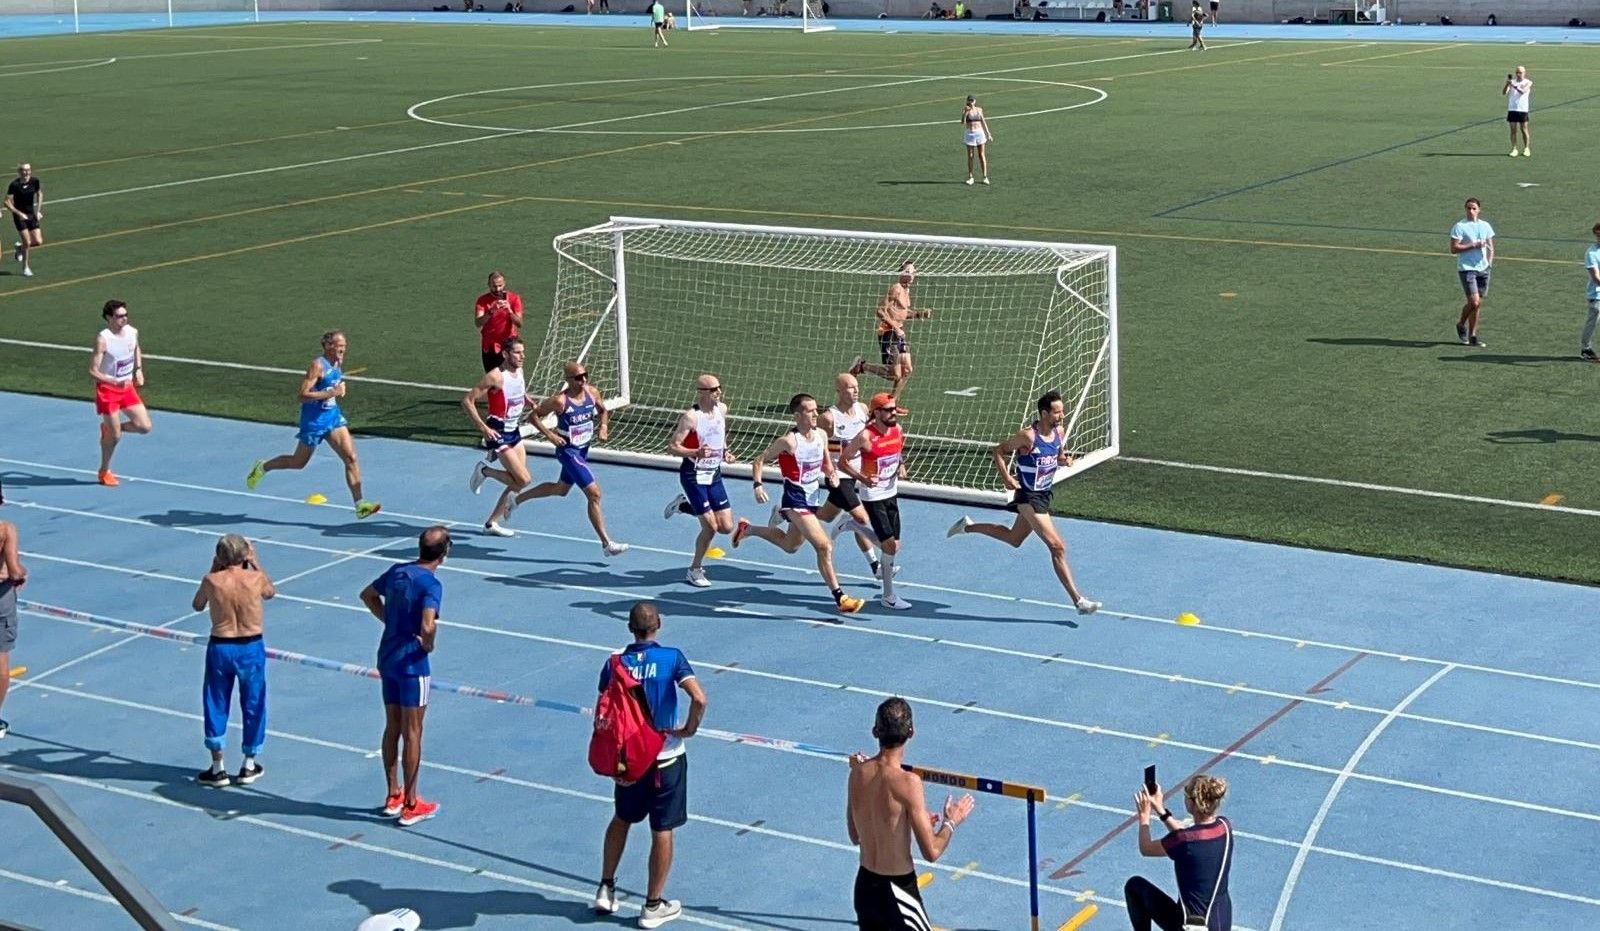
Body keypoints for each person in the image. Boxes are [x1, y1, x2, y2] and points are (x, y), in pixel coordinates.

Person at [594, 602, 707, 929]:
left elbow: (605, 706)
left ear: (630, 628)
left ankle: (605, 887)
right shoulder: (671, 657)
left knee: (622, 818)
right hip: (665, 757)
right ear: (659, 624)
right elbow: (699, 698)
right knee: (662, 828)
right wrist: (689, 728)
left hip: (628, 759)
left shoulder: (614, 663)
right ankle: (653, 905)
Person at [947, 391, 1101, 615]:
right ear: (1044, 413)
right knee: (1057, 547)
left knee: (1014, 539)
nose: (1061, 416)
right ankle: (1078, 601)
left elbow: (1056, 457)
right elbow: (998, 451)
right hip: (1027, 496)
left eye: (1062, 411)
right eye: (1057, 412)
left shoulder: (1059, 432)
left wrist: (1064, 459)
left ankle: (967, 527)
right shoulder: (1028, 436)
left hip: (1043, 494)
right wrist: (1007, 477)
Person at [847, 698, 975, 931]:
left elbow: (856, 835)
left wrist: (907, 821)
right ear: (911, 732)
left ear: (875, 731)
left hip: (865, 888)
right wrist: (951, 822)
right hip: (898, 892)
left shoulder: (857, 774)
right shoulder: (909, 783)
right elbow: (932, 851)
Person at [734, 393, 867, 614]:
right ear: (797, 415)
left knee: (790, 546)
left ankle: (748, 529)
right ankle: (840, 598)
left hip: (812, 497)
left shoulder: (822, 436)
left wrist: (832, 474)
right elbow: (759, 460)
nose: (816, 414)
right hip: (795, 500)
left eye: (816, 409)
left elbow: (826, 462)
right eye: (810, 411)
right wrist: (758, 485)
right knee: (824, 545)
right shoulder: (788, 442)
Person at [487, 361, 628, 555]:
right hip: (568, 452)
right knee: (594, 494)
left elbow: (603, 411)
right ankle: (607, 544)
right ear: (568, 380)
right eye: (578, 377)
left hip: (583, 449)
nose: (584, 380)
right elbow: (533, 417)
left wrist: (603, 427)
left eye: (585, 375)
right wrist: (551, 435)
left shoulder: (592, 393)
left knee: (561, 489)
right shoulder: (559, 401)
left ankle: (517, 500)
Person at [359, 526, 449, 827]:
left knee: (392, 725)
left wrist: (391, 622)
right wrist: (428, 644)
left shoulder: (398, 572)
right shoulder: (431, 585)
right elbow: (428, 625)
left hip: (387, 655)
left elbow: (369, 595)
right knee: (413, 731)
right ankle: (411, 803)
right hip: (412, 663)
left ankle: (392, 793)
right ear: (444, 552)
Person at [246, 330, 382, 519]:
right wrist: (331, 393)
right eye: (339, 345)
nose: (343, 348)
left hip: (332, 418)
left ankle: (360, 505)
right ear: (328, 346)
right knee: (298, 462)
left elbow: (333, 385)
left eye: (344, 344)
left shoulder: (338, 362)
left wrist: (340, 389)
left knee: (351, 457)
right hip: (314, 422)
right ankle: (263, 467)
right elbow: (302, 395)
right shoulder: (317, 365)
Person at [191, 534, 276, 788]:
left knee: (215, 702)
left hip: (221, 646)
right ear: (245, 555)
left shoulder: (211, 581)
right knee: (254, 703)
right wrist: (256, 562)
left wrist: (214, 568)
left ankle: (218, 767)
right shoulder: (255, 579)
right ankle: (249, 764)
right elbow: (270, 592)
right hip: (250, 646)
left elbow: (197, 605)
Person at [1126, 774, 1233, 931]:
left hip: (1192, 926)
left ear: (1191, 803)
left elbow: (1146, 848)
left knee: (1134, 887)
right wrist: (1161, 811)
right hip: (1220, 922)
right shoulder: (1225, 826)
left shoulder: (1184, 841)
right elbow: (1189, 837)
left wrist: (1144, 816)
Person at [662, 374, 739, 588]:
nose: (719, 392)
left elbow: (720, 435)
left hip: (713, 474)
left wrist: (725, 452)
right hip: (693, 476)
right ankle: (695, 569)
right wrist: (696, 451)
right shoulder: (691, 417)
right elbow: (673, 446)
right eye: (714, 389)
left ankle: (683, 506)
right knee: (711, 527)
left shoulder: (722, 410)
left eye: (719, 388)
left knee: (726, 526)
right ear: (702, 392)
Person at [836, 393, 910, 610]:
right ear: (876, 412)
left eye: (894, 409)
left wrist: (901, 465)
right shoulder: (865, 436)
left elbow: (898, 452)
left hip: (891, 491)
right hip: (873, 495)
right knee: (889, 546)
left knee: (894, 546)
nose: (893, 413)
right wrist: (862, 478)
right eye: (888, 410)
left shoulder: (898, 430)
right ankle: (888, 596)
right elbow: (843, 461)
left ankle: (852, 525)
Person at [817, 372, 888, 580]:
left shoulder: (862, 409)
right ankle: (876, 566)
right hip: (838, 474)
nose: (856, 390)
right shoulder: (828, 418)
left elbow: (867, 438)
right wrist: (828, 472)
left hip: (859, 471)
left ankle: (785, 512)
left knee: (825, 516)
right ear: (838, 390)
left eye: (856, 386)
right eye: (850, 387)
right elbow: (817, 446)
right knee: (861, 519)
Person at [463, 339, 534, 536]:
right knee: (524, 479)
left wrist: (526, 400)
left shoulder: (518, 371)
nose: (522, 356)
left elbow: (517, 390)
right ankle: (485, 471)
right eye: (518, 353)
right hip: (498, 431)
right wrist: (483, 428)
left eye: (523, 352)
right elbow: (468, 401)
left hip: (514, 431)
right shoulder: (494, 377)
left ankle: (491, 524)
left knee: (517, 483)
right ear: (505, 354)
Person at [90, 300, 153, 488]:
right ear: (109, 318)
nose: (123, 318)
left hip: (126, 388)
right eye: (119, 316)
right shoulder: (103, 339)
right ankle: (104, 471)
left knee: (144, 426)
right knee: (115, 437)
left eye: (125, 315)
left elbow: (135, 348)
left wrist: (138, 369)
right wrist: (113, 381)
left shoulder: (132, 332)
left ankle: (109, 428)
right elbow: (93, 371)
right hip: (108, 390)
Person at [851, 261, 932, 407]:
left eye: (913, 272)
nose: (911, 275)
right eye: (908, 272)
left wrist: (919, 314)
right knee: (894, 374)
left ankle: (892, 402)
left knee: (907, 370)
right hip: (888, 332)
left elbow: (901, 313)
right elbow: (880, 310)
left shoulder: (906, 291)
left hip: (899, 333)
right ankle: (862, 366)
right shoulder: (896, 288)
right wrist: (896, 327)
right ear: (901, 273)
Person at [1449, 197, 1495, 348]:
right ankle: (1461, 324)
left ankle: (1473, 335)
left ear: (1479, 210)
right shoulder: (1459, 226)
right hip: (1467, 269)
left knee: (1477, 304)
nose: (1471, 211)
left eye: (1474, 208)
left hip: (1483, 269)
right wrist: (1472, 245)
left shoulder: (1485, 226)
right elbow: (1454, 249)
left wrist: (1489, 263)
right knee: (1474, 302)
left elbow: (1490, 246)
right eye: (1468, 208)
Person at [0, 504, 27, 740]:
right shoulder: (6, 529)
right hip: (1, 599)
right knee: (1, 661)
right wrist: (21, 572)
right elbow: (15, 571)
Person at [474, 271, 524, 374]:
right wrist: (490, 311)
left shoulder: (514, 299)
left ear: (504, 283)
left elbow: (519, 323)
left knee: (512, 376)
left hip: (508, 346)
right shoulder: (482, 300)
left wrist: (510, 311)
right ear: (489, 285)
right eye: (494, 286)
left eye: (500, 286)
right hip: (490, 346)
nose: (497, 289)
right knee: (493, 379)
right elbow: (478, 322)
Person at [5, 163, 41, 278]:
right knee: (27, 242)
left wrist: (38, 210)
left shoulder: (35, 181)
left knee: (38, 241)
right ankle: (25, 267)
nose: (26, 172)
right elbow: (6, 202)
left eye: (28, 170)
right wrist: (19, 213)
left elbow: (39, 194)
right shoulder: (14, 185)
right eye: (23, 170)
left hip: (31, 215)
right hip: (19, 216)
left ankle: (19, 248)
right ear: (19, 172)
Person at [961, 95, 993, 186]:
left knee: (981, 155)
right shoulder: (965, 110)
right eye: (969, 101)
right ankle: (971, 177)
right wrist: (966, 113)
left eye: (972, 101)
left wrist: (988, 133)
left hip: (979, 133)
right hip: (970, 133)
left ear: (974, 101)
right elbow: (962, 122)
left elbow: (983, 121)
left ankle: (985, 177)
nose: (971, 102)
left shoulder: (979, 109)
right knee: (970, 155)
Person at [1503, 66, 1531, 157]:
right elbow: (1504, 92)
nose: (1519, 74)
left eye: (1521, 72)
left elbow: (1523, 91)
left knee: (1524, 129)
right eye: (1517, 72)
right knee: (1513, 130)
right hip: (1512, 109)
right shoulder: (1513, 82)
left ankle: (1526, 148)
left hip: (1522, 109)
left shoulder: (1528, 82)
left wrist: (1514, 86)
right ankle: (1514, 148)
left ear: (1524, 73)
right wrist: (1507, 84)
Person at [1583, 222, 1600, 363]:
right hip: (1597, 295)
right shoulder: (1592, 253)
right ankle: (1586, 349)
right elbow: (1595, 277)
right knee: (1593, 323)